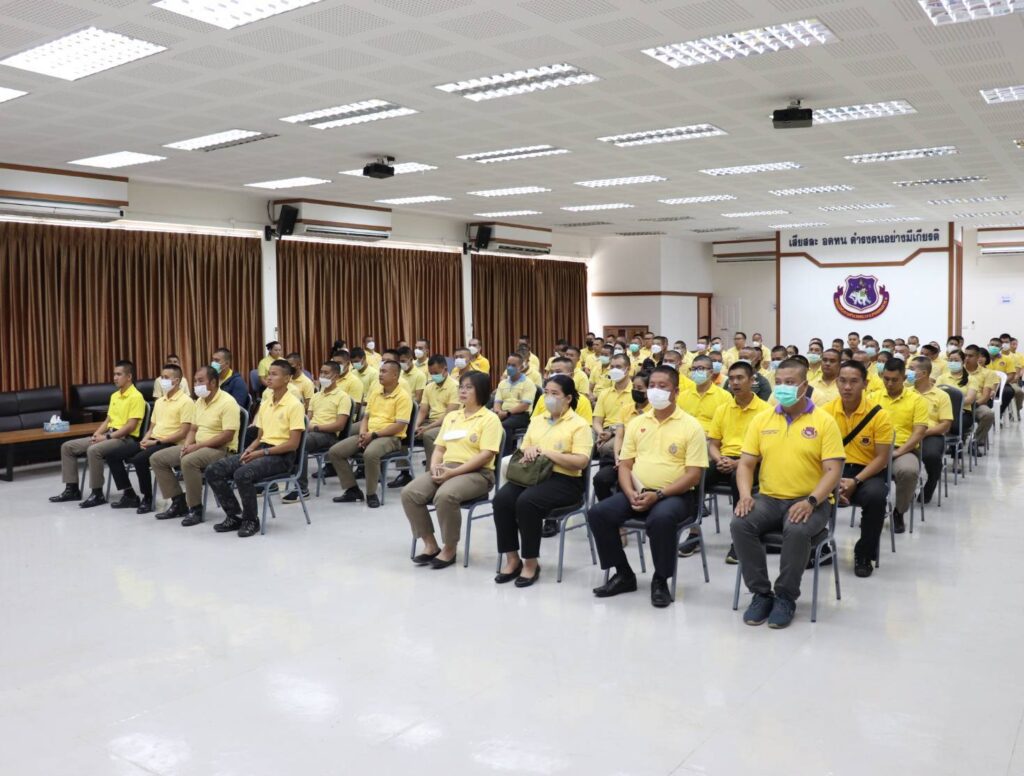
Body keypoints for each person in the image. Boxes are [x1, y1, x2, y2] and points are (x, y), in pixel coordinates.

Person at [731, 358, 844, 629]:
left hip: (811, 500)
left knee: (796, 529)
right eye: (779, 382)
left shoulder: (824, 421)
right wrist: (745, 495)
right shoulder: (762, 420)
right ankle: (761, 593)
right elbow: (745, 464)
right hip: (769, 498)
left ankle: (785, 596)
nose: (783, 387)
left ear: (804, 386)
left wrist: (811, 501)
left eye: (790, 382)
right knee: (740, 523)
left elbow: (833, 470)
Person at [589, 365, 708, 608]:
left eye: (662, 386)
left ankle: (660, 579)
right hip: (637, 491)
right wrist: (630, 492)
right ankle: (623, 573)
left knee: (660, 519)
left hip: (675, 495)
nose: (655, 390)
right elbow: (625, 465)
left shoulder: (691, 426)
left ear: (676, 392)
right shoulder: (637, 423)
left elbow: (694, 475)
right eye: (652, 385)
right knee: (599, 513)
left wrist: (659, 495)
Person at [492, 374, 591, 588]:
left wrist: (546, 452)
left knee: (527, 502)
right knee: (502, 500)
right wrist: (529, 450)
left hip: (565, 479)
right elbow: (524, 447)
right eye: (546, 393)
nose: (549, 398)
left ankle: (531, 563)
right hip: (533, 474)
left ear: (568, 398)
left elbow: (581, 461)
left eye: (555, 393)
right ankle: (512, 559)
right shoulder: (537, 420)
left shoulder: (579, 425)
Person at [402, 371, 502, 569]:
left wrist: (453, 473)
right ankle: (430, 545)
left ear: (481, 391)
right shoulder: (452, 417)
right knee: (410, 493)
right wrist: (434, 467)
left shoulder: (490, 419)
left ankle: (449, 548)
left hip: (478, 473)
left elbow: (486, 455)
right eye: (461, 387)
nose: (462, 391)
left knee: (445, 495)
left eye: (469, 387)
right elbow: (439, 448)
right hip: (447, 468)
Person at [204, 359, 304, 538]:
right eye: (269, 374)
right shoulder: (266, 403)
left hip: (282, 456)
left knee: (242, 474)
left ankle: (251, 520)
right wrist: (249, 450)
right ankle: (234, 515)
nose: (269, 377)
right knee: (214, 470)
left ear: (287, 378)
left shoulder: (294, 405)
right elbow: (259, 437)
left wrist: (262, 452)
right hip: (263, 449)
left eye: (274, 374)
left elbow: (293, 444)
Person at [686, 361, 768, 563]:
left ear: (752, 380)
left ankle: (739, 539)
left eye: (740, 378)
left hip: (752, 462)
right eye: (731, 379)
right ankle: (694, 532)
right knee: (694, 477)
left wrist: (738, 464)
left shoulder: (765, 410)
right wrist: (719, 459)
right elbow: (713, 444)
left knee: (737, 479)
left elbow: (766, 450)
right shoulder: (723, 409)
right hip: (724, 459)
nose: (735, 382)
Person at [822, 361, 893, 576]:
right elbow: (817, 453)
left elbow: (882, 458)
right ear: (836, 382)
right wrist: (834, 482)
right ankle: (818, 546)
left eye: (854, 381)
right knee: (805, 487)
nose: (847, 387)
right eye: (842, 381)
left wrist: (855, 481)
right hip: (833, 469)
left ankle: (864, 553)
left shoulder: (879, 415)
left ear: (865, 384)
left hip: (867, 472)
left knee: (876, 497)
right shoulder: (825, 412)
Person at [151, 366, 241, 526]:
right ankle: (178, 502)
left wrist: (195, 448)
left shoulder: (228, 402)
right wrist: (186, 446)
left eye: (200, 381)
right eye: (195, 381)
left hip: (222, 450)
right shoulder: (199, 401)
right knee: (157, 459)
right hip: (198, 446)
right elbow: (193, 429)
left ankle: (196, 509)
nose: (196, 385)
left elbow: (227, 436)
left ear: (213, 382)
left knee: (188, 461)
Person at [50, 360, 146, 508]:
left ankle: (97, 493)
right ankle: (72, 490)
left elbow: (130, 426)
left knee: (94, 450)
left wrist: (106, 437)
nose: (115, 378)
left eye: (119, 374)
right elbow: (108, 420)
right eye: (114, 374)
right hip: (109, 435)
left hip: (125, 438)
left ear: (129, 377)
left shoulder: (136, 397)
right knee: (67, 447)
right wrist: (96, 435)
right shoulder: (115, 396)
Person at [107, 363, 195, 514]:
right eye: (161, 377)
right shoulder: (160, 401)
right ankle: (129, 494)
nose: (162, 381)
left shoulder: (186, 402)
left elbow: (183, 433)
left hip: (170, 442)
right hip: (153, 439)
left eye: (166, 378)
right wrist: (145, 439)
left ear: (176, 381)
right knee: (113, 455)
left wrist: (155, 442)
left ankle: (147, 498)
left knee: (139, 459)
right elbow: (152, 427)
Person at [330, 360, 412, 509]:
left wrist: (373, 435)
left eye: (384, 372)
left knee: (370, 454)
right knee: (335, 452)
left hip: (390, 437)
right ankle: (352, 490)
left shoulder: (403, 396)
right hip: (369, 433)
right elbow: (366, 417)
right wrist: (363, 433)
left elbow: (399, 425)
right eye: (380, 371)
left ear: (395, 375)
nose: (380, 374)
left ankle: (371, 494)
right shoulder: (376, 392)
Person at [282, 361, 352, 503]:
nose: (322, 376)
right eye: (321, 372)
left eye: (326, 373)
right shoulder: (316, 396)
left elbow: (340, 425)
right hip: (312, 432)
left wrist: (315, 428)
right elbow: (308, 418)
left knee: (301, 443)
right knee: (285, 438)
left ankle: (302, 489)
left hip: (329, 435)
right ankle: (277, 479)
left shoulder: (343, 397)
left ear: (336, 376)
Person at [877, 359, 929, 532]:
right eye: (886, 379)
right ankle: (872, 512)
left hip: (904, 449)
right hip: (875, 449)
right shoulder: (872, 397)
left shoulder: (917, 400)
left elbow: (919, 432)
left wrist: (898, 452)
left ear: (904, 378)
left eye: (895, 380)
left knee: (908, 471)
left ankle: (899, 512)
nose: (889, 384)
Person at [592, 371, 650, 502]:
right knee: (601, 479)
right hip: (622, 456)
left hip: (641, 459)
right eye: (634, 387)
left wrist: (628, 461)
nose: (635, 391)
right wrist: (618, 457)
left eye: (640, 388)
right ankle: (606, 506)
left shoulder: (654, 411)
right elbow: (619, 436)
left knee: (625, 483)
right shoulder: (626, 409)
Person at [909, 356, 952, 505]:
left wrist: (922, 433)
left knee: (932, 455)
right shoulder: (905, 392)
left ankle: (932, 481)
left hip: (930, 433)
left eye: (911, 369)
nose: (908, 372)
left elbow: (945, 425)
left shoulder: (941, 396)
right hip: (906, 433)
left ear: (924, 373)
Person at [416, 354, 460, 463]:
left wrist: (427, 428)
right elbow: (422, 411)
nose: (433, 376)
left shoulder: (455, 386)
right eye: (431, 373)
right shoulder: (429, 387)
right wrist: (415, 426)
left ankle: (433, 467)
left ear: (445, 369)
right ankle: (404, 470)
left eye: (436, 373)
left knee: (428, 435)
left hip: (449, 423)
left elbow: (448, 415)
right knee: (404, 430)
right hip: (431, 422)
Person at [493, 353, 536, 455]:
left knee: (504, 426)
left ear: (521, 367)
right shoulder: (502, 383)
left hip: (521, 415)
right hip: (503, 413)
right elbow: (497, 401)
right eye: (508, 364)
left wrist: (506, 413)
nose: (509, 368)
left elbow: (525, 405)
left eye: (513, 365)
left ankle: (504, 456)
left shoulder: (528, 383)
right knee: (488, 422)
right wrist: (498, 412)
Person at [592, 353, 633, 459]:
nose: (614, 370)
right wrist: (601, 433)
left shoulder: (635, 392)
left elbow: (633, 423)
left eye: (618, 367)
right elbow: (597, 421)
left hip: (624, 431)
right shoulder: (604, 393)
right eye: (612, 367)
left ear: (628, 369)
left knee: (606, 448)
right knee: (585, 441)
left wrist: (612, 433)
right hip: (605, 430)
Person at [680, 355, 729, 433]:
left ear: (711, 372)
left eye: (700, 369)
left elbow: (726, 425)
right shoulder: (682, 396)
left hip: (710, 437)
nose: (696, 372)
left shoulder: (724, 396)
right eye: (693, 369)